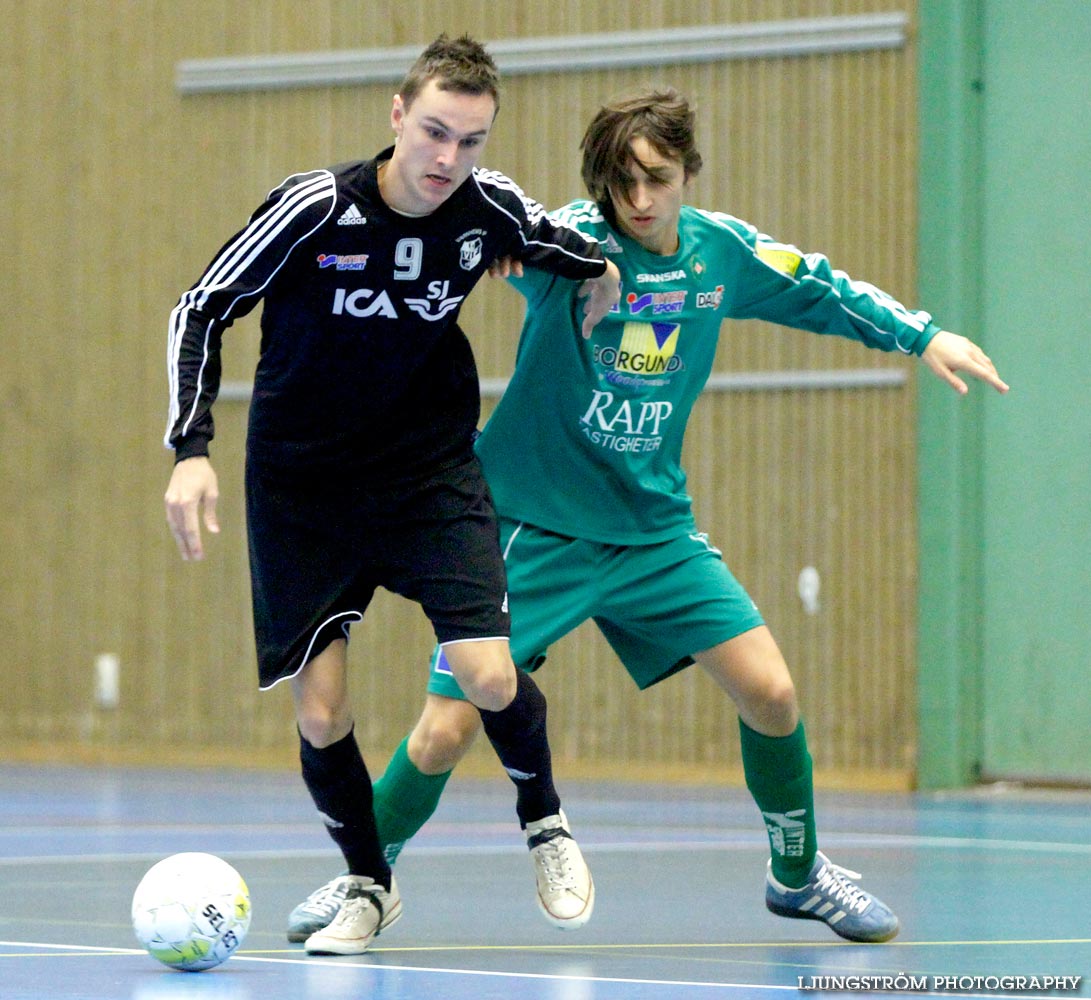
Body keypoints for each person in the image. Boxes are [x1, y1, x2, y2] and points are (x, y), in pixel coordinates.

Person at [287, 88, 1009, 945]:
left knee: (771, 692)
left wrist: (920, 336)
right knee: (444, 730)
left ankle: (798, 874)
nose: (637, 202)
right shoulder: (570, 244)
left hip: (653, 532)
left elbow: (817, 288)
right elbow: (486, 222)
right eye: (620, 185)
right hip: (529, 528)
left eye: (655, 181)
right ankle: (364, 880)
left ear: (685, 176)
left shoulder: (720, 255)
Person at [162, 34, 621, 956]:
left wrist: (600, 273)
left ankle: (545, 822)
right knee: (322, 711)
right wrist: (191, 449)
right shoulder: (314, 208)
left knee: (489, 674)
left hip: (426, 474)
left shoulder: (487, 210)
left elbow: (566, 243)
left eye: (472, 141)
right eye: (436, 134)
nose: (449, 160)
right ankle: (370, 887)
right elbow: (202, 307)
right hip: (303, 486)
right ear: (398, 118)